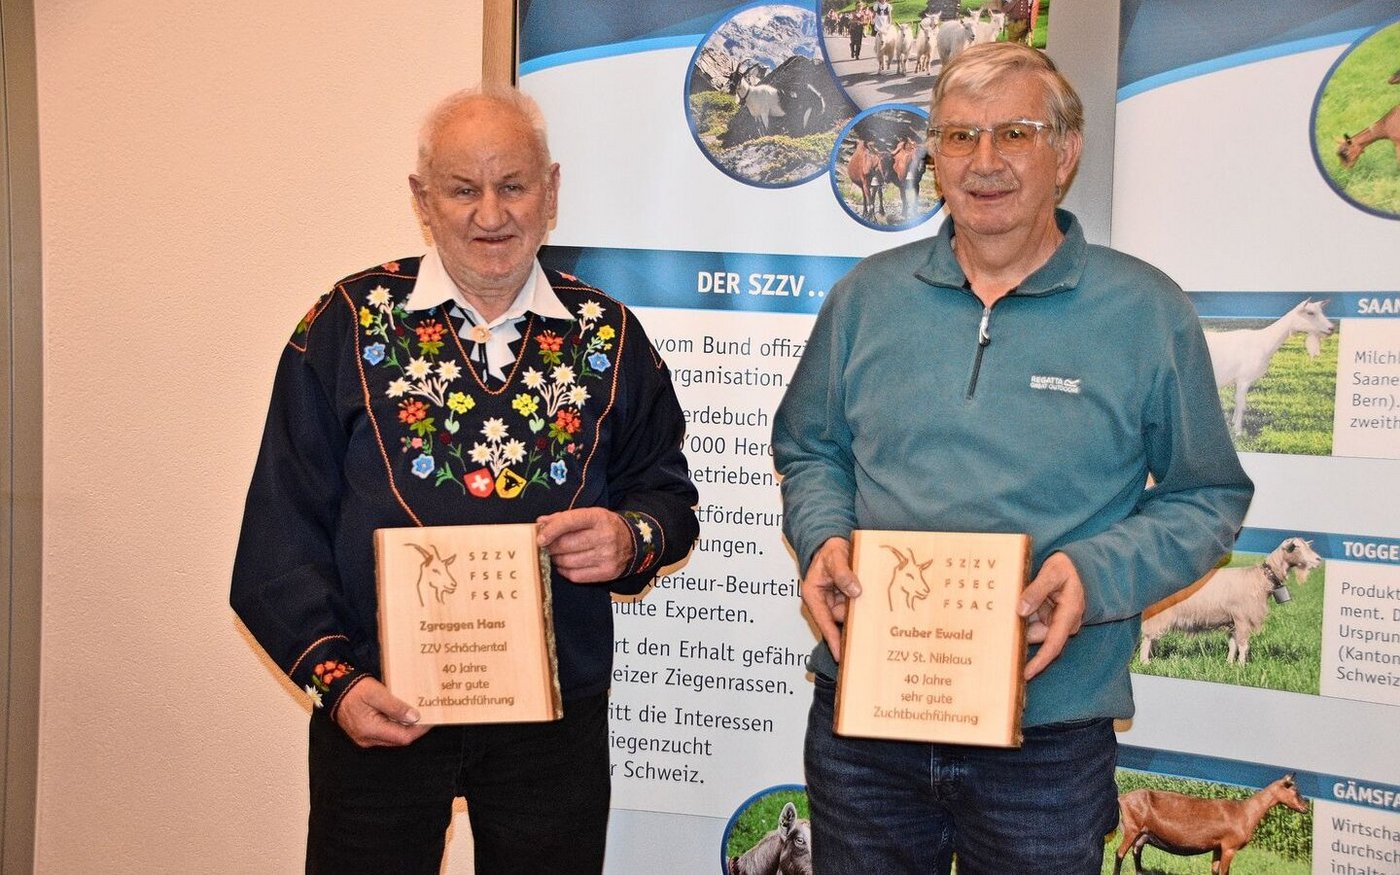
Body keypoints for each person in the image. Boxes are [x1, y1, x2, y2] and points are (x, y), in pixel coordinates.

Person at [772, 43, 1252, 875]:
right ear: (932, 157)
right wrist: (822, 537)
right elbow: (810, 448)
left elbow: (1205, 496)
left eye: (1015, 134)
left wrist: (1094, 575)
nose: (984, 162)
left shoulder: (1144, 310)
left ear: (1064, 155)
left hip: (1049, 738)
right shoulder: (865, 299)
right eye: (959, 137)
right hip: (867, 730)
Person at [231, 85, 699, 874]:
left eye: (513, 185)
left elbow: (668, 495)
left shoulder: (611, 336)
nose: (491, 214)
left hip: (556, 722)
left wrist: (631, 536)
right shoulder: (342, 324)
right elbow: (280, 533)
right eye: (462, 188)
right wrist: (336, 680)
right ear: (423, 199)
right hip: (378, 710)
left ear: (551, 192)